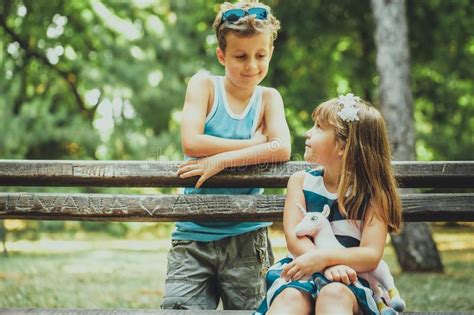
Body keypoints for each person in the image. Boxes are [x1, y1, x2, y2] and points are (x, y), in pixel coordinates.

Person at [161, 1, 291, 310]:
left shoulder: (269, 98)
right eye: (240, 56)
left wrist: (221, 160)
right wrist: (255, 146)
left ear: (270, 53)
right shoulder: (203, 85)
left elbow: (282, 149)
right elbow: (192, 142)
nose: (251, 66)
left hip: (247, 238)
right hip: (193, 236)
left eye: (260, 56)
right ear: (222, 55)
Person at [256, 94, 402, 315]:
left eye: (318, 127)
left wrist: (324, 260)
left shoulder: (373, 195)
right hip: (303, 270)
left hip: (350, 279)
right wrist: (322, 263)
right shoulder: (301, 182)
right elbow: (295, 237)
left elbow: (371, 254)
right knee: (290, 298)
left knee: (334, 294)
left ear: (343, 146)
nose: (308, 132)